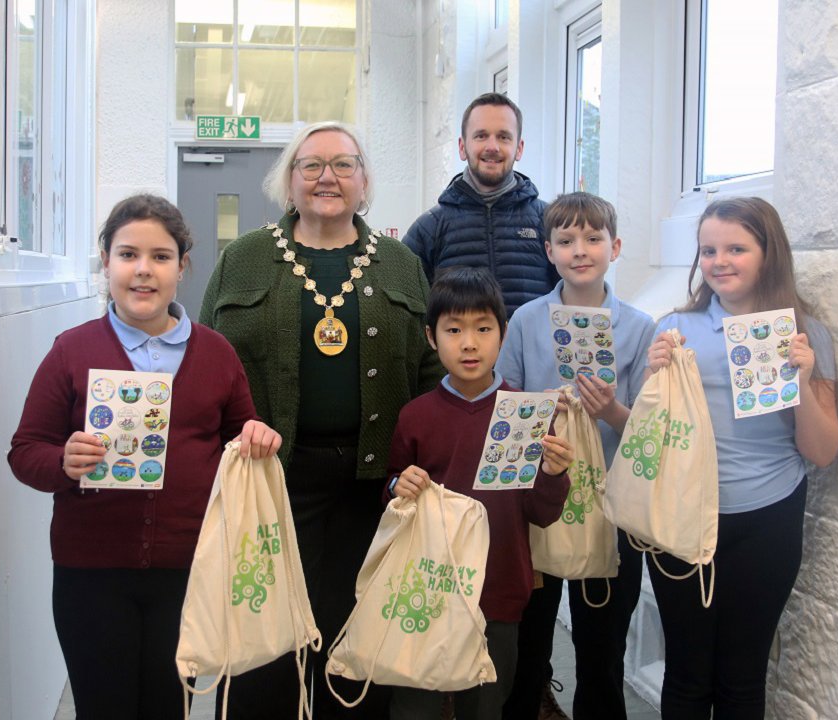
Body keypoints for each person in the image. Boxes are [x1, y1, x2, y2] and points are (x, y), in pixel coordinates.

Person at [199, 121, 444, 719]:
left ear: (365, 182)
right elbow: (205, 362)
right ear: (289, 180)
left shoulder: (400, 262)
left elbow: (429, 371)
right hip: (271, 479)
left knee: (353, 633)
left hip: (372, 484)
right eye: (310, 165)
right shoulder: (244, 257)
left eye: (343, 164)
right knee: (265, 632)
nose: (326, 177)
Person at [8, 194, 282, 720]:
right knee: (103, 705)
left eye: (160, 256)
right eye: (128, 254)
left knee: (167, 706)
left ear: (183, 267)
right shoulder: (71, 349)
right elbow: (25, 453)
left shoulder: (217, 352)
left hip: (189, 570)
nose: (143, 270)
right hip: (91, 572)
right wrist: (62, 461)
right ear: (106, 262)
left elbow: (240, 440)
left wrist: (258, 439)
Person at [644, 197, 838, 719]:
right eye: (708, 249)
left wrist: (801, 376)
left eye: (736, 248)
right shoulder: (674, 330)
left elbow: (821, 452)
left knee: (742, 678)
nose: (719, 260)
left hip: (768, 518)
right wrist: (652, 379)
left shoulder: (806, 335)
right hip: (682, 520)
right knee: (686, 676)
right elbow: (647, 439)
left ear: (767, 253)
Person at [386, 266, 574, 719]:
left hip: (498, 587)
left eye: (483, 329)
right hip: (426, 587)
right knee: (416, 705)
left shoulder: (526, 414)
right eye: (454, 330)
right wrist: (397, 485)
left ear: (502, 334)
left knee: (486, 703)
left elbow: (541, 513)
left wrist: (553, 473)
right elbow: (393, 492)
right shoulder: (416, 416)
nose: (469, 343)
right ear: (431, 338)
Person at [496, 193, 656, 720]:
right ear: (548, 249)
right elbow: (506, 406)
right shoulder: (523, 320)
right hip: (538, 503)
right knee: (529, 645)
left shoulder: (639, 328)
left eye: (593, 239)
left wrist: (610, 409)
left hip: (610, 508)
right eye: (565, 241)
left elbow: (649, 433)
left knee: (601, 648)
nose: (580, 251)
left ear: (616, 246)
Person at [403, 92, 559, 317]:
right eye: (481, 136)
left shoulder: (549, 222)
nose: (492, 146)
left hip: (532, 354)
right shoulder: (429, 229)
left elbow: (575, 298)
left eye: (504, 137)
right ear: (462, 147)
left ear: (520, 148)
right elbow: (408, 311)